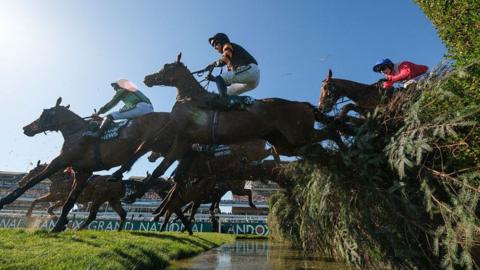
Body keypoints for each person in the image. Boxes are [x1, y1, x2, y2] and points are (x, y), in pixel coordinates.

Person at [83, 79, 154, 140]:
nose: (115, 89)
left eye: (115, 87)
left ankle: (97, 134)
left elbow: (112, 103)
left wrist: (98, 113)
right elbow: (125, 109)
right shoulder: (133, 92)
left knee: (110, 116)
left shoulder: (123, 90)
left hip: (141, 108)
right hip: (149, 109)